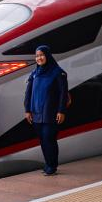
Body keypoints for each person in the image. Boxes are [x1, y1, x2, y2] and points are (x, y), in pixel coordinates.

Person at [24, 45, 69, 175]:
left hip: (51, 112)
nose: (39, 58)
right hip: (37, 112)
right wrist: (27, 110)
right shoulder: (34, 74)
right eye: (37, 56)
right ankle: (48, 163)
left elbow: (63, 93)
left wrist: (61, 111)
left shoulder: (57, 72)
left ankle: (52, 166)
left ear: (48, 56)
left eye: (41, 55)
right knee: (43, 139)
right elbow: (28, 93)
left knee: (49, 138)